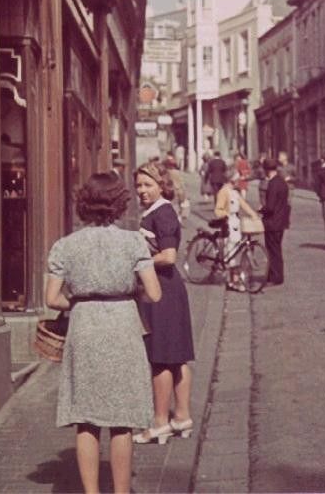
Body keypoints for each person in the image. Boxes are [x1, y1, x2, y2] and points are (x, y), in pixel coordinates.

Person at [45, 172, 162, 494]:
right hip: (123, 324)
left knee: (86, 418)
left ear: (84, 204)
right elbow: (154, 293)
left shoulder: (65, 246)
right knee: (122, 418)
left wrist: (81, 298)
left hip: (84, 326)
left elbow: (51, 298)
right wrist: (127, 289)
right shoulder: (132, 241)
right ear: (119, 204)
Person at [133, 162, 195, 445]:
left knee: (160, 359)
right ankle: (181, 417)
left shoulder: (162, 212)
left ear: (161, 185)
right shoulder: (159, 211)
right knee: (177, 355)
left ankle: (160, 423)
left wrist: (136, 262)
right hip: (167, 289)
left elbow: (168, 256)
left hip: (162, 290)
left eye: (147, 185)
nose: (142, 190)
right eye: (139, 185)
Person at [214, 168, 261, 291]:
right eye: (237, 177)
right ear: (232, 179)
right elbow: (218, 210)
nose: (239, 180)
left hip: (236, 223)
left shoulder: (234, 192)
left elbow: (243, 204)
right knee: (231, 252)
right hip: (228, 224)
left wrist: (253, 215)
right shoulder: (223, 192)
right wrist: (226, 214)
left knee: (237, 252)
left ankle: (235, 279)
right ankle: (232, 281)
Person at [260, 158, 290, 285]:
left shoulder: (272, 184)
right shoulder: (282, 182)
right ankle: (277, 275)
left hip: (272, 222)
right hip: (281, 221)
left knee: (272, 251)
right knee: (277, 250)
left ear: (266, 170)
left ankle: (275, 276)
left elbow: (270, 206)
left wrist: (262, 210)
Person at [163, 156, 190, 220]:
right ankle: (178, 218)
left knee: (173, 205)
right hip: (179, 190)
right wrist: (185, 192)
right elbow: (182, 183)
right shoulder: (177, 172)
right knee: (179, 205)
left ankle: (175, 218)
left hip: (170, 191)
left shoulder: (166, 172)